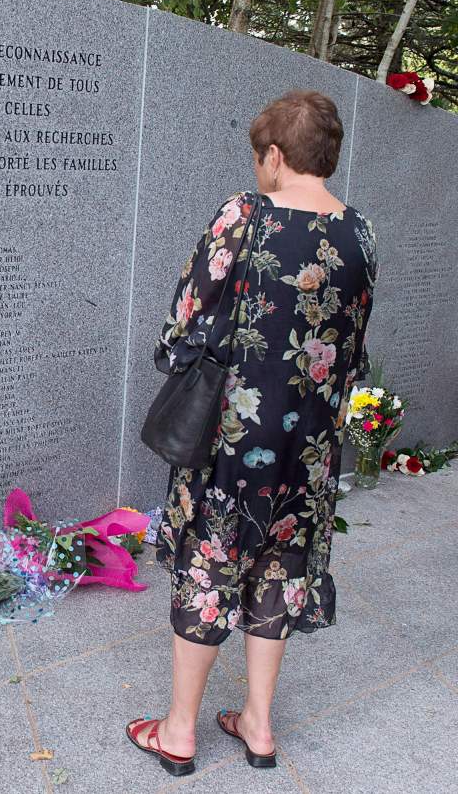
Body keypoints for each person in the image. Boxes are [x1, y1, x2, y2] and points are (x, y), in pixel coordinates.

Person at [126, 90, 378, 776]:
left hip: (233, 439)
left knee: (211, 567)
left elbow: (186, 316)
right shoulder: (360, 231)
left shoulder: (246, 214)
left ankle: (180, 732)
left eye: (259, 156)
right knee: (280, 569)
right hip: (312, 448)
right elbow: (352, 347)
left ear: (274, 154)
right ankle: (258, 726)